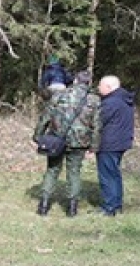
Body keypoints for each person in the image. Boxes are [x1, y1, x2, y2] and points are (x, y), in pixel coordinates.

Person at [34, 70, 100, 217]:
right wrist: (94, 145)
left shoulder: (59, 95)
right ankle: (72, 209)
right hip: (80, 141)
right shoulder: (94, 100)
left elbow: (45, 117)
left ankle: (43, 206)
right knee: (74, 172)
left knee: (52, 170)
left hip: (56, 139)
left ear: (75, 80)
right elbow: (97, 125)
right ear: (88, 83)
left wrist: (38, 135)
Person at [94, 75, 135, 216]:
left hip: (109, 143)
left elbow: (98, 121)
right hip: (122, 142)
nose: (98, 88)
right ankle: (117, 204)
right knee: (115, 174)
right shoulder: (125, 100)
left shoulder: (110, 102)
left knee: (106, 176)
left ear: (109, 87)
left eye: (100, 85)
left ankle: (109, 207)